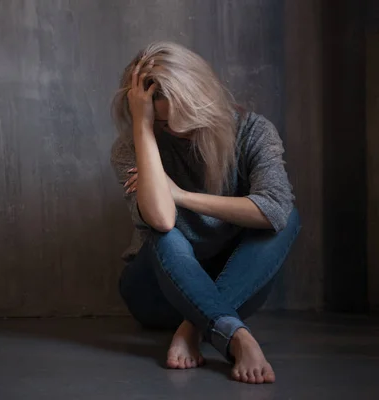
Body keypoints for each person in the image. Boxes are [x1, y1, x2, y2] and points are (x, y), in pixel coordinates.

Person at [110, 41, 301, 384]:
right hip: (156, 291)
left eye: (185, 117)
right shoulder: (132, 147)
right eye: (162, 121)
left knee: (287, 220)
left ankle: (196, 325)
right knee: (163, 234)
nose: (176, 131)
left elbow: (274, 208)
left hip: (232, 283)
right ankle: (236, 336)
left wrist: (181, 195)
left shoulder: (251, 131)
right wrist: (143, 128)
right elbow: (162, 219)